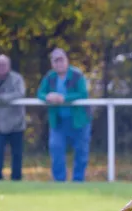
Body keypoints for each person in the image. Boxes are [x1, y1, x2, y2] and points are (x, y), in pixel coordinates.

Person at [37, 48, 91, 182]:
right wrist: (48, 96)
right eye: (56, 61)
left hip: (79, 121)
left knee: (81, 152)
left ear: (67, 61)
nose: (59, 63)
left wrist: (64, 98)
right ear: (52, 63)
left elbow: (83, 94)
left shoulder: (77, 75)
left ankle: (78, 180)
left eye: (61, 60)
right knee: (56, 149)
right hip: (58, 121)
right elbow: (40, 94)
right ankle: (59, 181)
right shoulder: (50, 77)